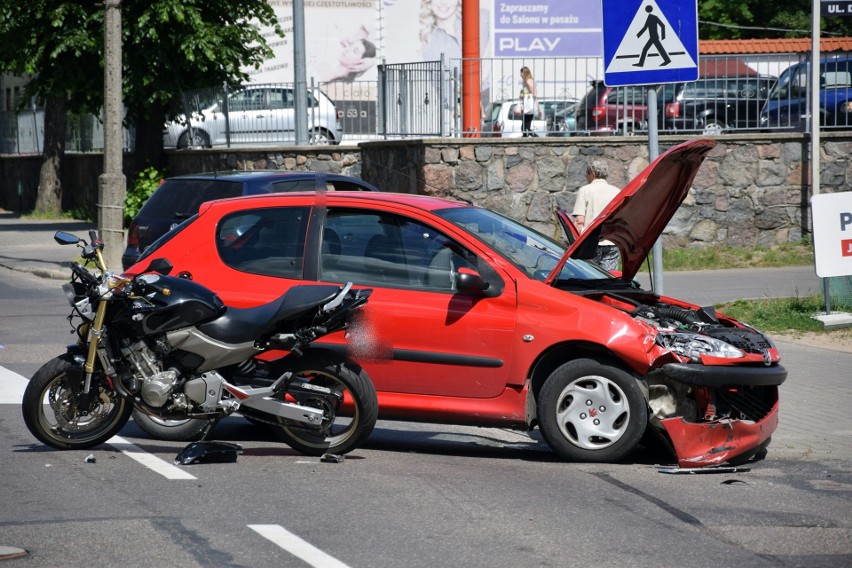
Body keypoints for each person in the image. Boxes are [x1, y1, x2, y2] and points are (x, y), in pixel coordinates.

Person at [572, 159, 621, 271]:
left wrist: (576, 245)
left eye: (587, 174)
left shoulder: (585, 191)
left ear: (592, 174)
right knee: (609, 277)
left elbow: (579, 221)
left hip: (591, 243)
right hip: (612, 242)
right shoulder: (617, 192)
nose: (586, 177)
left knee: (591, 276)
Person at [519, 66, 537, 137]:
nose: (521, 75)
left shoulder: (528, 81)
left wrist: (524, 94)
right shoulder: (530, 81)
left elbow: (534, 94)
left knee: (525, 128)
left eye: (522, 73)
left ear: (525, 73)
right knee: (525, 127)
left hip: (528, 106)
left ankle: (536, 138)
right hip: (529, 106)